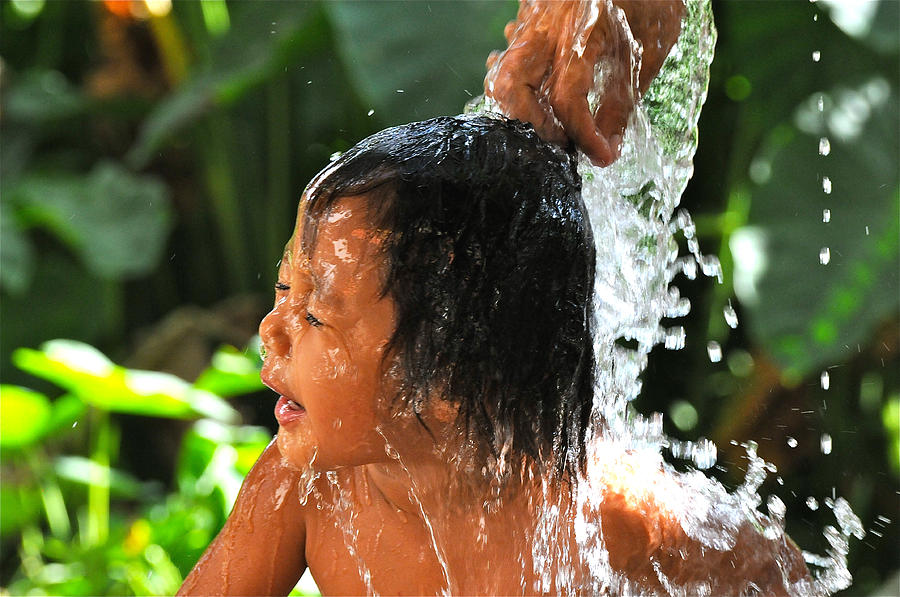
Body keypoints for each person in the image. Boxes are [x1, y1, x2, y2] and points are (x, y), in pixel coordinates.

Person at [178, 115, 809, 596]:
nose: (271, 329)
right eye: (285, 290)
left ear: (450, 374)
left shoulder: (593, 524)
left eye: (315, 314)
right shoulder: (307, 486)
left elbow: (771, 568)